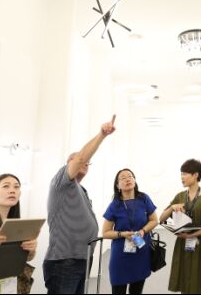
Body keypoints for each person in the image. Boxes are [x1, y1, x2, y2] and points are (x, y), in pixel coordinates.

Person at [43, 115, 117, 294]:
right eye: (80, 161)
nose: (85, 163)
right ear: (69, 164)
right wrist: (102, 135)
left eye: (87, 163)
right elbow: (81, 158)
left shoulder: (80, 189)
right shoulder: (61, 182)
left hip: (82, 258)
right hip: (64, 261)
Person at [159, 159, 201, 294]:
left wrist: (190, 235)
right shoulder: (180, 196)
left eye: (185, 174)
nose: (182, 177)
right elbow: (161, 218)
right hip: (183, 244)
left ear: (196, 175)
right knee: (185, 277)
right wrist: (172, 208)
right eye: (181, 174)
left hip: (200, 243)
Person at [102, 168, 158, 294]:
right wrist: (122, 234)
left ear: (134, 180)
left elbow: (154, 220)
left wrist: (143, 230)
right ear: (117, 186)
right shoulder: (115, 205)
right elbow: (105, 232)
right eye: (123, 178)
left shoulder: (144, 198)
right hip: (121, 255)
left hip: (141, 251)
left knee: (137, 290)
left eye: (130, 176)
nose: (127, 179)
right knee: (118, 289)